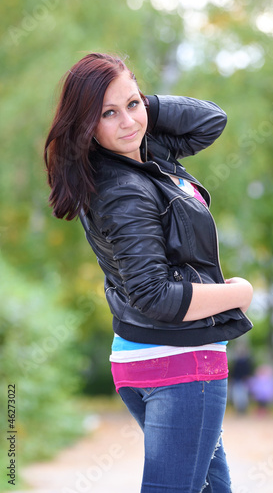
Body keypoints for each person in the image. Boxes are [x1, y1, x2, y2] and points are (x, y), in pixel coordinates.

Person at [44, 52, 253, 493]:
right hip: (178, 361)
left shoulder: (141, 156)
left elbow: (210, 121)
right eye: (108, 113)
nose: (127, 122)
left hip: (152, 354)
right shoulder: (123, 189)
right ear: (87, 126)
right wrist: (238, 292)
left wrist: (141, 105)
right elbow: (155, 295)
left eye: (132, 104)